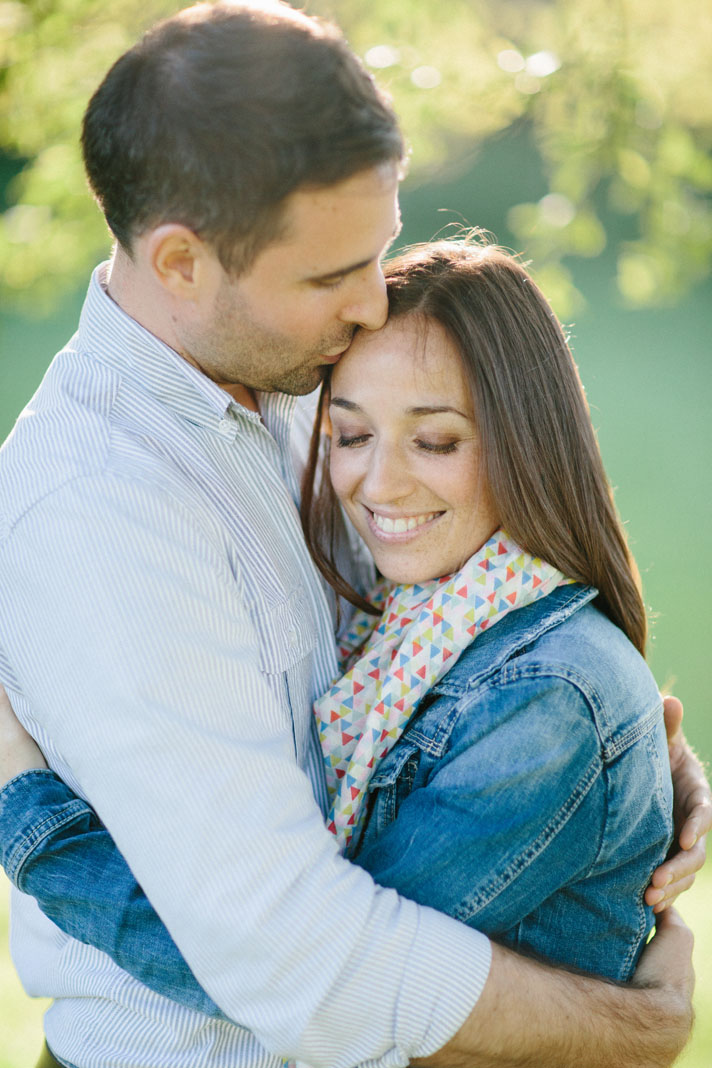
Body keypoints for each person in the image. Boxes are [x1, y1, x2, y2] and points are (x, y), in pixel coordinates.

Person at [0, 3, 706, 1067]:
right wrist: (631, 1030)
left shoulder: (305, 382)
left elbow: (444, 651)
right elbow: (294, 964)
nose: (377, 305)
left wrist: (621, 768)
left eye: (377, 252)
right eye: (334, 277)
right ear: (183, 263)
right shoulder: (104, 507)